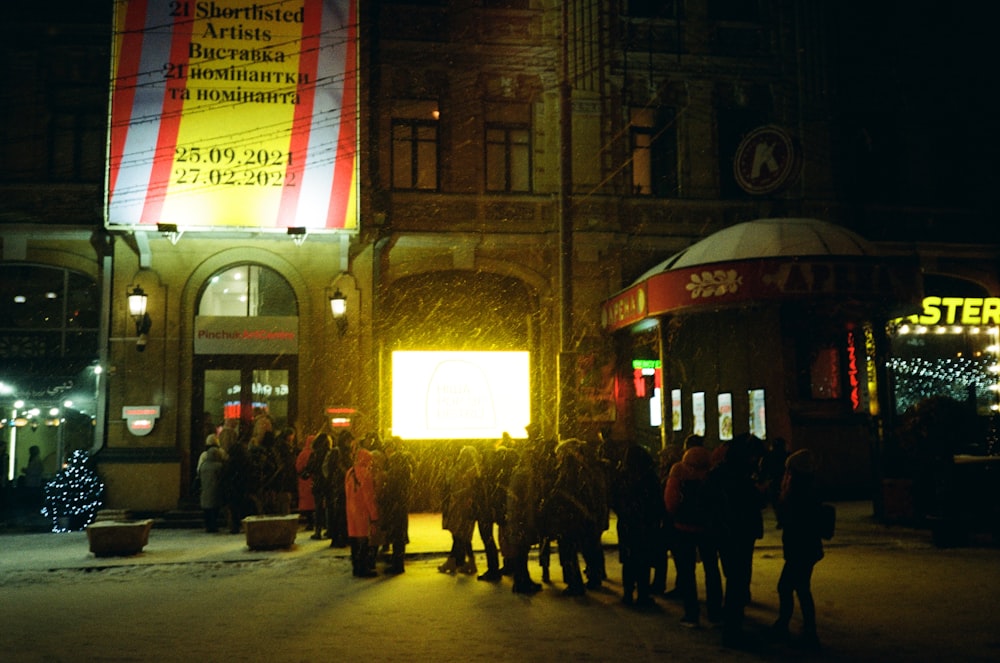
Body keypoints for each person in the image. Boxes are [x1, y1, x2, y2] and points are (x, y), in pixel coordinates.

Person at [706, 433, 768, 649]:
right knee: (737, 580)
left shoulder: (720, 474)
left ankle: (732, 625)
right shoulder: (738, 477)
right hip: (737, 533)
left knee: (735, 578)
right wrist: (760, 493)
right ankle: (733, 629)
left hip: (725, 533)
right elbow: (747, 503)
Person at [664, 443, 723, 628]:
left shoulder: (678, 476)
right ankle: (715, 612)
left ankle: (692, 614)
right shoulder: (713, 477)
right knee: (712, 570)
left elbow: (671, 502)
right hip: (707, 530)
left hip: (684, 529)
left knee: (687, 573)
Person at [771, 449, 825, 650]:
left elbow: (790, 519)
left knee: (789, 587)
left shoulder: (798, 492)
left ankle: (797, 629)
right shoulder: (808, 488)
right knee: (799, 588)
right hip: (806, 548)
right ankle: (804, 630)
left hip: (800, 548)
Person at [611, 444, 667, 608]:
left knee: (629, 561)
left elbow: (614, 499)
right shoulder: (649, 476)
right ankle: (643, 595)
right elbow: (657, 501)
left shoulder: (622, 476)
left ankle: (628, 594)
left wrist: (624, 512)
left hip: (628, 524)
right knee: (643, 560)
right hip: (646, 525)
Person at [438, 445, 481, 575]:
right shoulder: (472, 470)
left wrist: (457, 493)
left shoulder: (471, 471)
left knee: (460, 536)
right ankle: (464, 561)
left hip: (464, 507)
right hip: (462, 507)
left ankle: (453, 561)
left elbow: (466, 488)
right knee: (462, 536)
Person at [345, 436, 379, 578]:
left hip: (351, 511)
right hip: (362, 512)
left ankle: (356, 566)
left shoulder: (349, 472)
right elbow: (369, 497)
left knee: (354, 540)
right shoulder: (365, 473)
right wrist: (374, 516)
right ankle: (363, 568)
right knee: (363, 541)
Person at [378, 437, 413, 574]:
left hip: (396, 506)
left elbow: (392, 489)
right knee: (399, 535)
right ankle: (398, 563)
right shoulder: (404, 469)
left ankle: (397, 565)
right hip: (401, 506)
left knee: (397, 535)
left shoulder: (395, 470)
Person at [305, 433, 333, 540]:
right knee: (329, 507)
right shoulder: (329, 453)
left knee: (318, 508)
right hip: (328, 483)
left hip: (317, 482)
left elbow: (310, 468)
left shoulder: (315, 454)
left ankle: (318, 531)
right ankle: (330, 529)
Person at [197, 438, 226, 532]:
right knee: (215, 510)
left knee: (207, 511)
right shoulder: (219, 466)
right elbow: (222, 478)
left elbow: (199, 475)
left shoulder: (204, 465)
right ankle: (213, 526)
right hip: (215, 491)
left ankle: (208, 526)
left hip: (205, 491)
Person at [295, 433, 316, 530]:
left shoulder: (303, 454)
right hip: (313, 480)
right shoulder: (316, 453)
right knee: (315, 502)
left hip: (304, 481)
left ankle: (310, 522)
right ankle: (316, 522)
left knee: (306, 503)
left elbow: (298, 467)